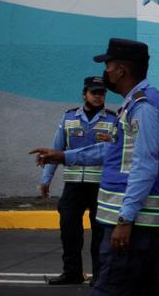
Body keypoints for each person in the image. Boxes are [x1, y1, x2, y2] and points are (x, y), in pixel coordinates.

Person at [30, 38, 159, 296]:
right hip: (143, 223)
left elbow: (144, 165)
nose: (105, 72)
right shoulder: (137, 105)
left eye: (108, 65)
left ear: (121, 69)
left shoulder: (142, 108)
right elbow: (110, 151)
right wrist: (64, 155)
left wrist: (125, 219)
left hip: (133, 223)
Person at [40, 76, 117, 285]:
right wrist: (46, 178)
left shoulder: (112, 120)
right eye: (94, 92)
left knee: (100, 233)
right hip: (73, 186)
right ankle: (72, 272)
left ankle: (100, 275)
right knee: (69, 230)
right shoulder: (69, 118)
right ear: (85, 94)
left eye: (101, 93)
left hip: (100, 186)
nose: (98, 96)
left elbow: (115, 153)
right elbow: (57, 149)